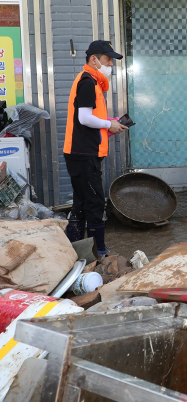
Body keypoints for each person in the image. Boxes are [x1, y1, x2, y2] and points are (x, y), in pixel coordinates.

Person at [63, 40, 128, 257]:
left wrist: (109, 123)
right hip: (83, 153)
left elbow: (90, 118)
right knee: (94, 201)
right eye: (107, 59)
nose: (111, 64)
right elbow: (84, 118)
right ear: (94, 60)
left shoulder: (92, 82)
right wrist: (109, 124)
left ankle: (73, 248)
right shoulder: (88, 82)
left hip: (83, 152)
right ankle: (98, 251)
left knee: (82, 200)